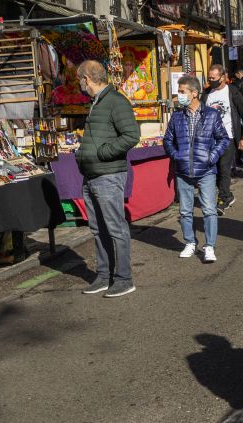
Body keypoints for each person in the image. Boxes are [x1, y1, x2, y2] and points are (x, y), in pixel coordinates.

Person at [76, 60, 140, 298]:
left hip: (108, 175)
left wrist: (102, 152)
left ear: (87, 79)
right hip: (92, 175)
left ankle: (124, 278)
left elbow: (132, 135)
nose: (79, 84)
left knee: (115, 227)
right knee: (98, 228)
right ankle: (104, 276)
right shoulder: (98, 102)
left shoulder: (115, 101)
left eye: (80, 79)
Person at [163, 76, 230, 262]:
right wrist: (176, 155)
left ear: (194, 93)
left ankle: (209, 246)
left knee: (209, 210)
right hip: (183, 171)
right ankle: (190, 242)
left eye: (182, 91)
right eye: (179, 91)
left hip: (206, 170)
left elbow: (223, 139)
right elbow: (167, 140)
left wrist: (212, 156)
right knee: (185, 210)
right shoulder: (177, 116)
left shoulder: (211, 114)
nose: (179, 95)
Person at [203, 64, 243, 213]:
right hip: (210, 139)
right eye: (209, 78)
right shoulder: (207, 94)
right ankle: (228, 195)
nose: (211, 81)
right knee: (214, 169)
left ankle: (222, 199)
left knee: (224, 168)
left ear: (223, 77)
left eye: (214, 78)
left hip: (227, 137)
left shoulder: (233, 92)